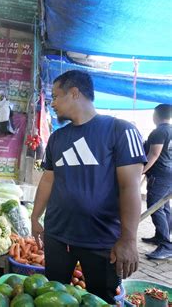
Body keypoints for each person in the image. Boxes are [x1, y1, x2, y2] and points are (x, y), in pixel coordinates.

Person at [31, 70, 146, 304]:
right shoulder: (57, 138)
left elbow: (130, 188)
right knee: (52, 296)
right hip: (57, 237)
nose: (52, 104)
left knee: (100, 300)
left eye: (55, 96)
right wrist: (35, 217)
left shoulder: (120, 130)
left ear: (74, 93)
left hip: (102, 241)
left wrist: (128, 240)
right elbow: (48, 180)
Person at [141, 104, 172, 260]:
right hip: (169, 173)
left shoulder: (159, 132)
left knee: (154, 207)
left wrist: (141, 171)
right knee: (164, 206)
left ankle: (166, 245)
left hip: (159, 175)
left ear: (156, 115)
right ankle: (161, 236)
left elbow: (153, 155)